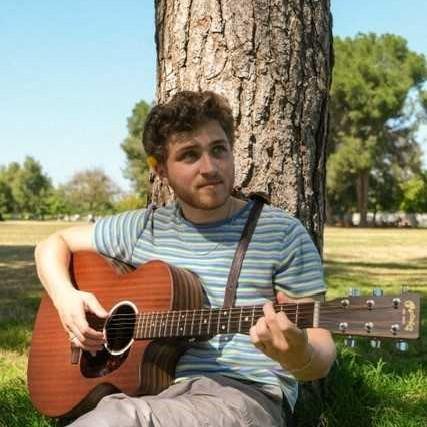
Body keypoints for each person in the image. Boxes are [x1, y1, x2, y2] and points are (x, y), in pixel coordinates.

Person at [34, 90, 336, 427]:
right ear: (161, 169)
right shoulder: (144, 227)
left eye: (219, 150)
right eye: (190, 155)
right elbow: (52, 244)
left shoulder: (281, 234)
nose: (210, 167)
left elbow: (321, 347)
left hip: (240, 396)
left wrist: (300, 355)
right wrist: (67, 299)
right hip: (146, 393)